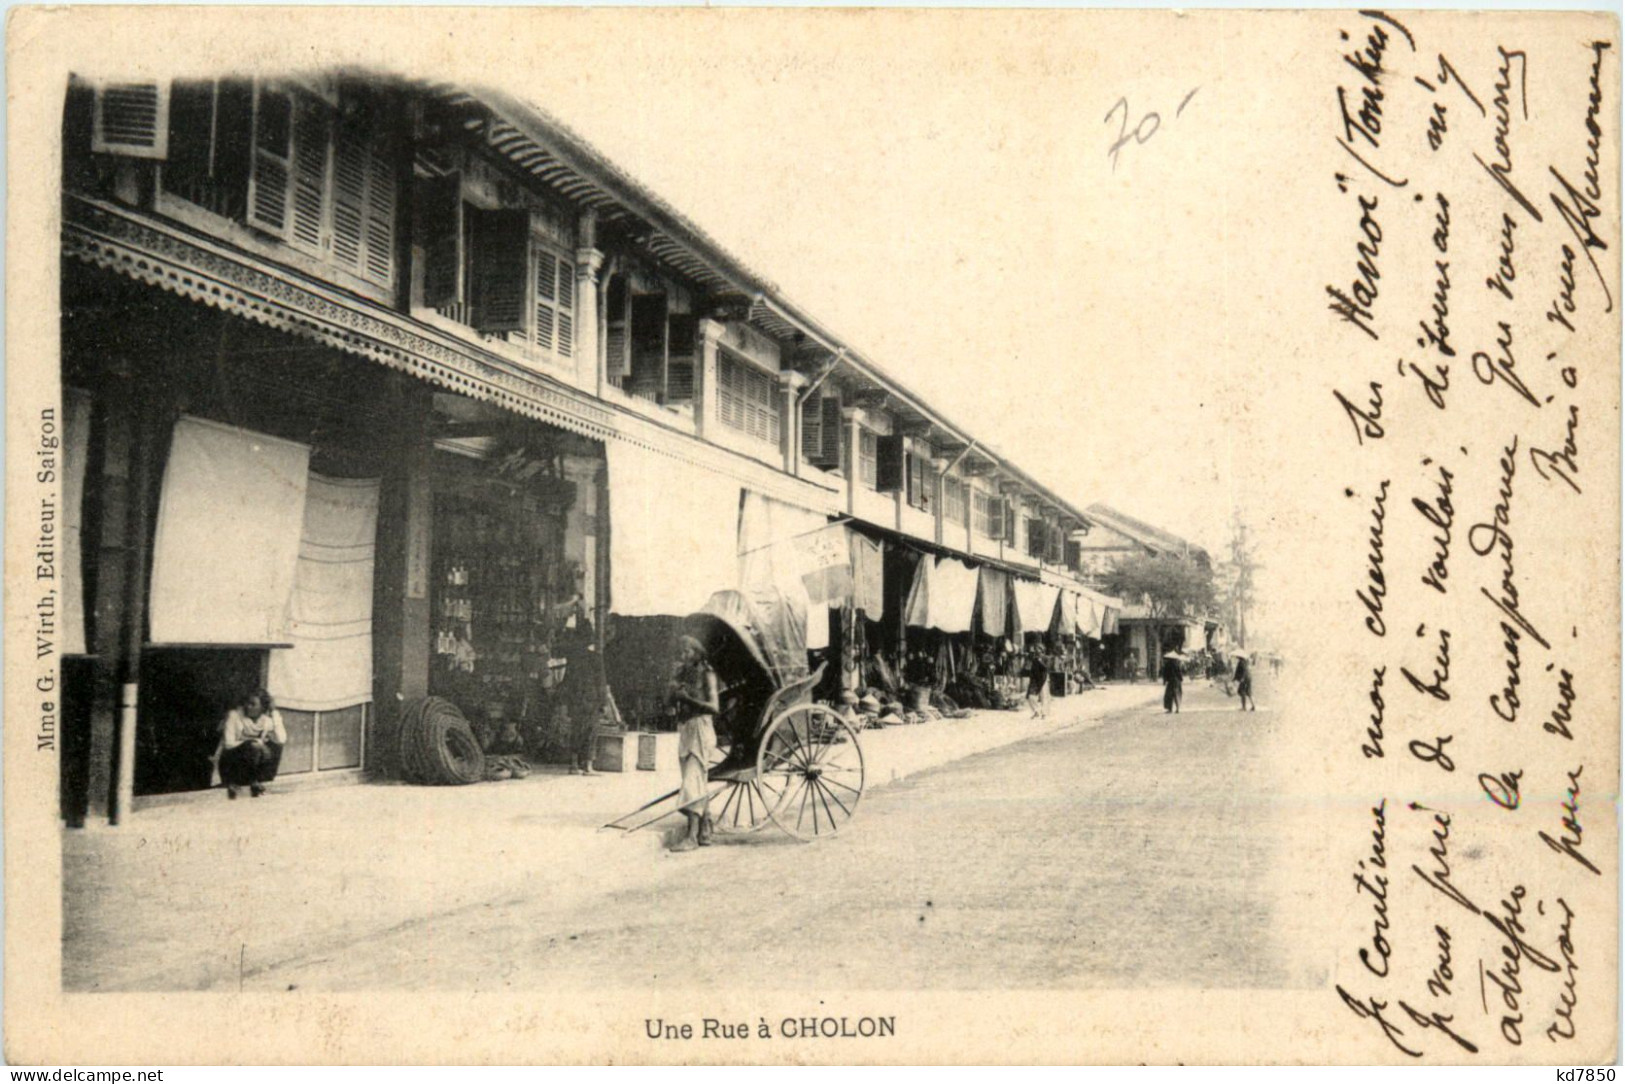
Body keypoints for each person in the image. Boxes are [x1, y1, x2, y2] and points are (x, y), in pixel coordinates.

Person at [668, 635, 719, 852]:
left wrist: (687, 699)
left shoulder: (707, 674)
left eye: (687, 652)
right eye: (681, 652)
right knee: (696, 780)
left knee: (691, 781)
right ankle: (705, 827)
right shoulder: (682, 673)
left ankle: (691, 836)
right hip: (687, 729)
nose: (684, 656)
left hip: (701, 727)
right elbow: (670, 704)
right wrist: (673, 692)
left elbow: (714, 707)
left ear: (697, 653)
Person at [216, 688, 286, 799]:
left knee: (275, 746)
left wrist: (274, 712)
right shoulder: (234, 715)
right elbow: (228, 744)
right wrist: (254, 743)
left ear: (262, 707)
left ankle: (263, 780)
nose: (248, 706)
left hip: (252, 764)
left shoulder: (265, 720)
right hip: (232, 763)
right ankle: (251, 782)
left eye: (253, 704)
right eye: (247, 703)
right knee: (254, 746)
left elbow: (281, 739)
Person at [558, 619, 606, 776]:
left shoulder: (573, 658)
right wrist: (603, 702)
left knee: (576, 730)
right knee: (591, 732)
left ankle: (573, 764)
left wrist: (564, 701)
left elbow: (566, 680)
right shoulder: (596, 657)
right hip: (591, 698)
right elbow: (601, 682)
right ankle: (588, 766)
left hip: (576, 698)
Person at [1024, 649, 1051, 719]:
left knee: (1043, 697)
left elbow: (1046, 668)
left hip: (1043, 680)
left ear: (1042, 652)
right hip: (1035, 681)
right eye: (1036, 652)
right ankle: (1036, 711)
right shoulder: (1034, 660)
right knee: (1030, 696)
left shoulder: (1046, 658)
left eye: (1039, 652)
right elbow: (1032, 671)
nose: (1037, 654)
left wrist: (1039, 661)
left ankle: (1044, 713)